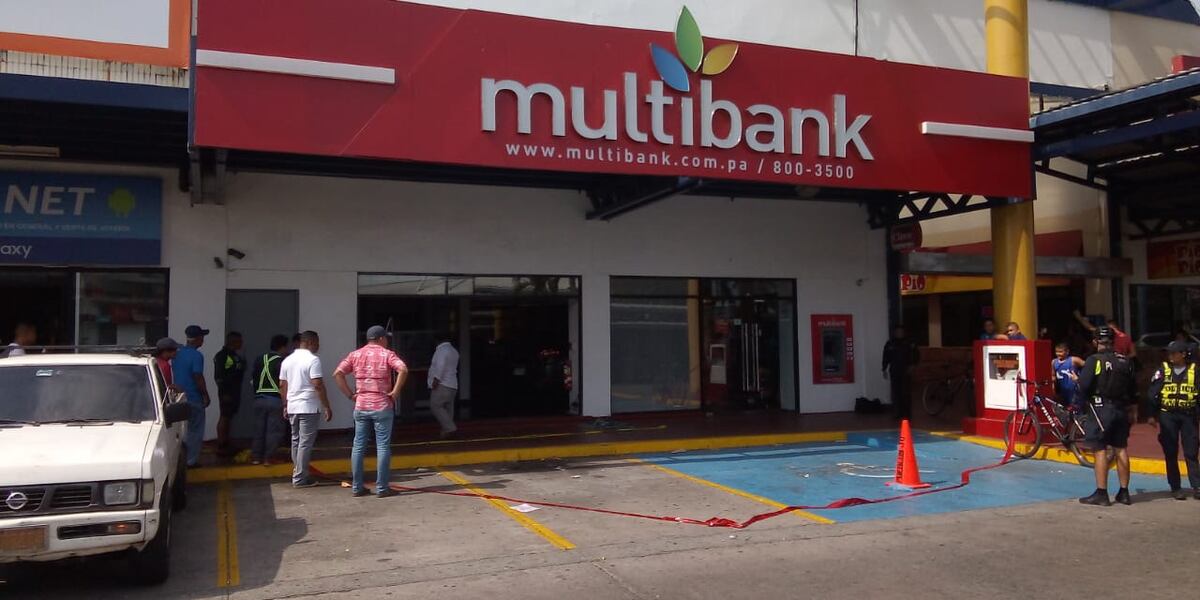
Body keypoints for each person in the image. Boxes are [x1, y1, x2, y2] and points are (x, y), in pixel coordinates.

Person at [333, 325, 408, 498]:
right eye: (386, 338)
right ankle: (382, 488)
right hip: (382, 406)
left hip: (361, 406)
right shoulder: (387, 354)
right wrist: (395, 392)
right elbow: (403, 369)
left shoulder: (355, 354)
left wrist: (350, 395)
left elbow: (337, 373)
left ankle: (357, 487)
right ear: (381, 338)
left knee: (358, 446)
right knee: (382, 447)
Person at [1076, 327, 1137, 506]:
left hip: (1101, 409)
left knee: (1100, 449)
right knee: (1121, 448)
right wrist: (1133, 409)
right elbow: (1133, 389)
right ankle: (1124, 492)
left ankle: (1101, 493)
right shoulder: (1125, 361)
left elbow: (1083, 386)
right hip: (1121, 409)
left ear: (1096, 342)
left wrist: (1078, 402)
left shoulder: (1094, 360)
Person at [1147, 341, 1200, 500]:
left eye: (1173, 353)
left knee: (1191, 452)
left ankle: (1197, 486)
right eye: (1169, 353)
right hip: (1167, 415)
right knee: (1170, 452)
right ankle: (1175, 487)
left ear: (1183, 354)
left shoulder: (1195, 371)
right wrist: (1151, 415)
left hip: (1188, 416)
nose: (1170, 356)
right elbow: (1152, 393)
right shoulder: (1163, 370)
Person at [280, 330, 331, 488]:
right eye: (316, 343)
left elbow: (282, 385)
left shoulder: (287, 361)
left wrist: (285, 404)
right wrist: (326, 406)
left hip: (293, 406)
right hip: (308, 406)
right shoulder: (313, 360)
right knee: (305, 443)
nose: (318, 346)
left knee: (296, 441)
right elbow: (317, 384)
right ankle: (300, 478)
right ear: (309, 342)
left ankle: (298, 473)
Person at [173, 325, 213, 468]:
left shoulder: (177, 353)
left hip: (178, 398)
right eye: (202, 337)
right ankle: (191, 461)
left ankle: (180, 460)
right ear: (198, 339)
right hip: (193, 397)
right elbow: (197, 376)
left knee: (181, 432)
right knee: (195, 430)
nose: (203, 340)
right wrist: (205, 395)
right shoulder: (197, 356)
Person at [250, 334, 289, 466]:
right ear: (282, 347)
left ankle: (256, 457)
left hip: (259, 398)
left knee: (258, 429)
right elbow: (283, 383)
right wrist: (285, 403)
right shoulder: (282, 362)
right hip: (274, 399)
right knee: (274, 431)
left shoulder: (259, 359)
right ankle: (268, 457)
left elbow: (253, 379)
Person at [213, 331, 247, 455]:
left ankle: (227, 441)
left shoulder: (235, 355)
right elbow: (219, 376)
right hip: (226, 392)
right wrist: (224, 392)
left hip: (235, 391)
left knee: (229, 417)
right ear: (234, 342)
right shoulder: (223, 355)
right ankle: (222, 444)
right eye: (240, 341)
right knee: (224, 416)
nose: (242, 344)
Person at [882, 326, 919, 420]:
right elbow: (885, 356)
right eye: (897, 332)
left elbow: (916, 355)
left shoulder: (910, 342)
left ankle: (907, 414)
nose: (899, 333)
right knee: (896, 392)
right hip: (894, 370)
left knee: (906, 392)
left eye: (901, 332)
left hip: (906, 370)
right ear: (895, 333)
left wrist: (913, 365)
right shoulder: (890, 343)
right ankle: (897, 413)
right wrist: (884, 369)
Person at [428, 334, 460, 438]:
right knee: (448, 409)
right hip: (453, 384)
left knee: (435, 405)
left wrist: (436, 380)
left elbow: (440, 366)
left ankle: (450, 428)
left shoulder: (441, 350)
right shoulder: (454, 351)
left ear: (437, 341)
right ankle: (446, 432)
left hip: (442, 384)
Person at [1051, 342, 1084, 410]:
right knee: (1064, 410)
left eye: (1060, 352)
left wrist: (1080, 378)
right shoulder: (1054, 362)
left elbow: (1088, 366)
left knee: (1075, 409)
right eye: (1056, 352)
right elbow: (1053, 376)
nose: (1058, 354)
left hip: (1074, 390)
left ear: (1067, 352)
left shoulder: (1074, 360)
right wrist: (1053, 390)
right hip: (1062, 391)